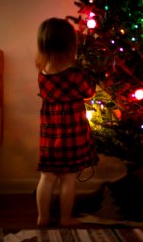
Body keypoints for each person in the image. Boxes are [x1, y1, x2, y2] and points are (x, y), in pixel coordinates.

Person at [35, 17, 99, 226]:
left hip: (50, 134)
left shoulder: (42, 73)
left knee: (46, 178)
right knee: (68, 179)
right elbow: (89, 92)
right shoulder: (75, 74)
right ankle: (65, 218)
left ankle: (42, 217)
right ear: (70, 45)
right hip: (72, 135)